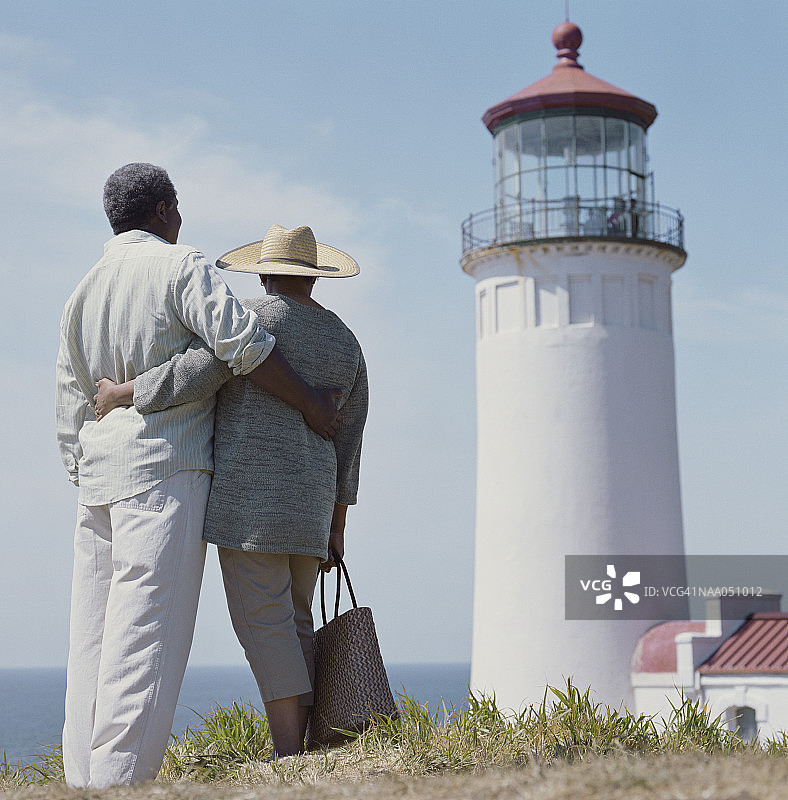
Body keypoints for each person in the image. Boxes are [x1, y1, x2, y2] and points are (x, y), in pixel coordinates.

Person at [55, 167, 341, 788]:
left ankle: (82, 779)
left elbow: (71, 398)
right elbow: (240, 346)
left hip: (100, 477)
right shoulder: (182, 266)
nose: (181, 217)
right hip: (167, 467)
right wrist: (311, 403)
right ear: (162, 209)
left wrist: (84, 464)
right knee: (145, 636)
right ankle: (120, 782)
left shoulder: (83, 288)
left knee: (92, 639)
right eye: (178, 206)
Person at [94, 224, 368, 758]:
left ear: (263, 273)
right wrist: (337, 523)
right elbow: (351, 439)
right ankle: (301, 748)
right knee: (295, 621)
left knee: (264, 624)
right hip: (312, 506)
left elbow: (193, 374)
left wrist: (124, 392)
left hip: (252, 505)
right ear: (315, 277)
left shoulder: (253, 318)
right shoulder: (346, 341)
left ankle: (288, 753)